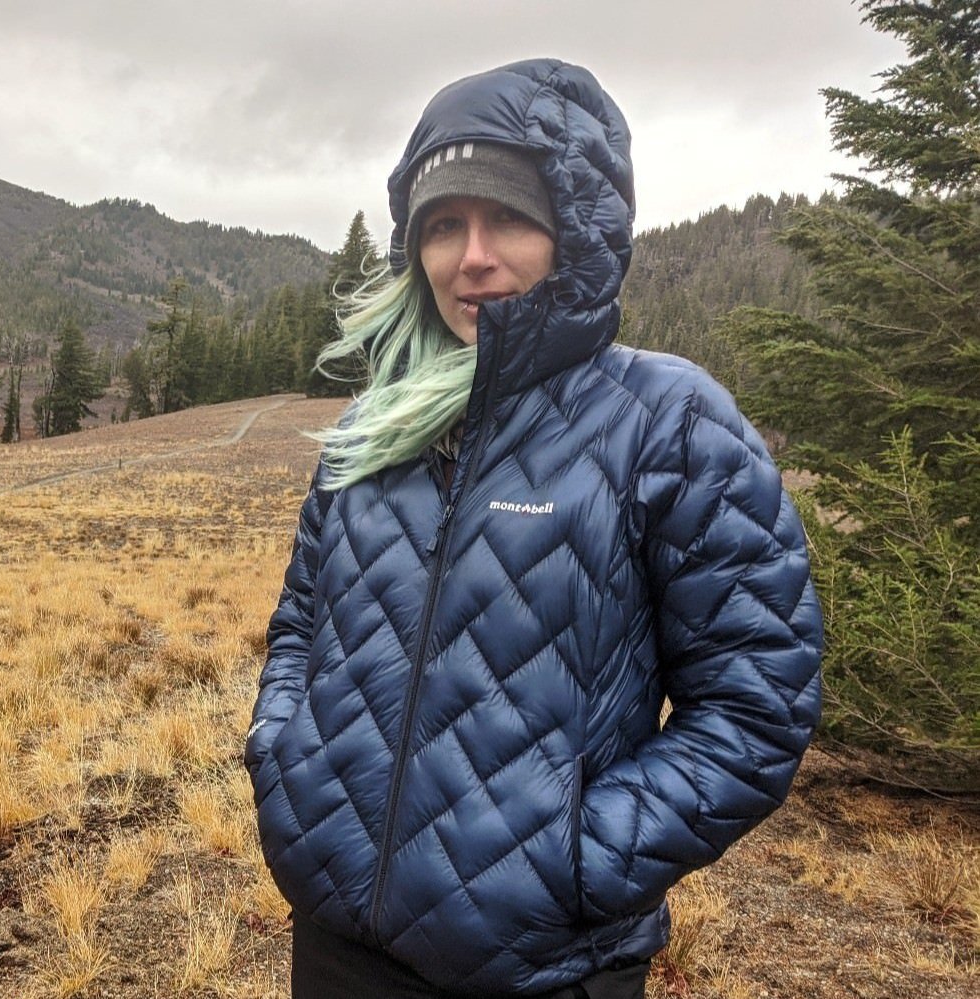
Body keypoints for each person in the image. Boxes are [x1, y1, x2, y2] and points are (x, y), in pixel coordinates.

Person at [244, 59, 823, 999]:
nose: (471, 255)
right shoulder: (373, 425)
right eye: (442, 224)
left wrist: (574, 866)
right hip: (338, 935)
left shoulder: (664, 420)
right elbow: (300, 626)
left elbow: (757, 704)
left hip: (545, 964)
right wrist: (284, 767)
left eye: (508, 216)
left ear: (575, 231)